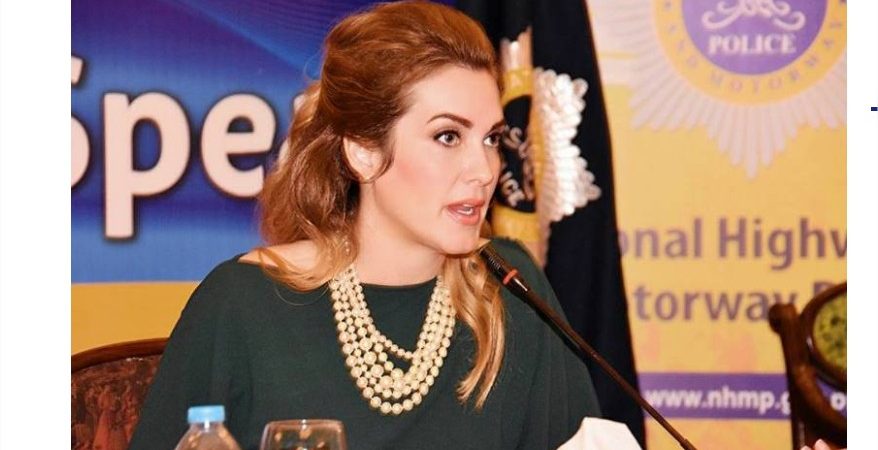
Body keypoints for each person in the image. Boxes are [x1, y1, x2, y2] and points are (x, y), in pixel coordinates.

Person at [129, 2, 601, 449]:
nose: (484, 170)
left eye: (492, 139)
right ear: (363, 152)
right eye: (448, 136)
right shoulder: (244, 304)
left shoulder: (512, 290)